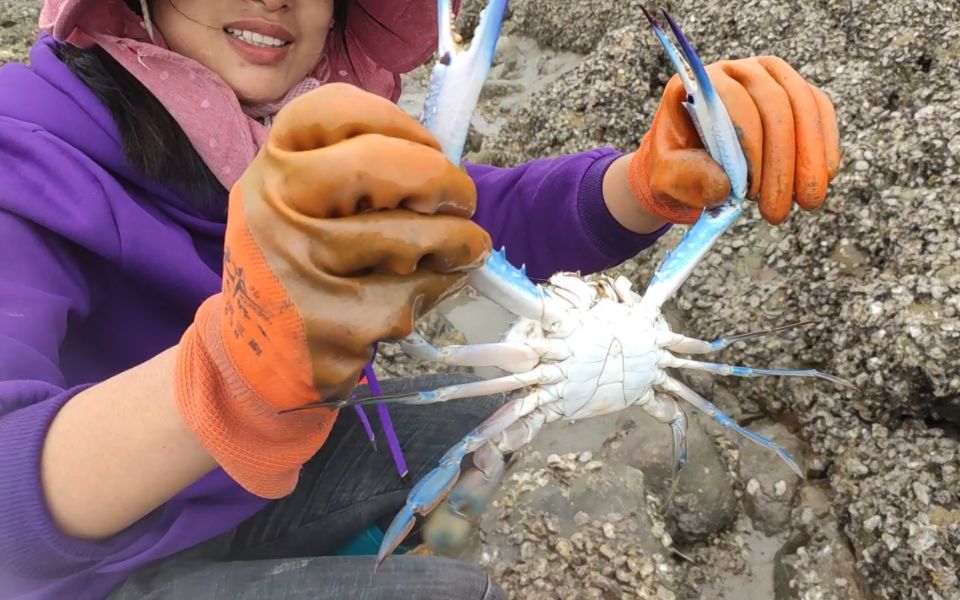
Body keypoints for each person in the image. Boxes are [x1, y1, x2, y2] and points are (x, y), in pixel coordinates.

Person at [0, 0, 841, 598]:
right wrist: (230, 377)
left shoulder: (273, 133)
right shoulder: (21, 150)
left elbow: (474, 222)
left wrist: (648, 182)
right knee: (473, 589)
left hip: (253, 486)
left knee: (490, 417)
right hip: (89, 573)